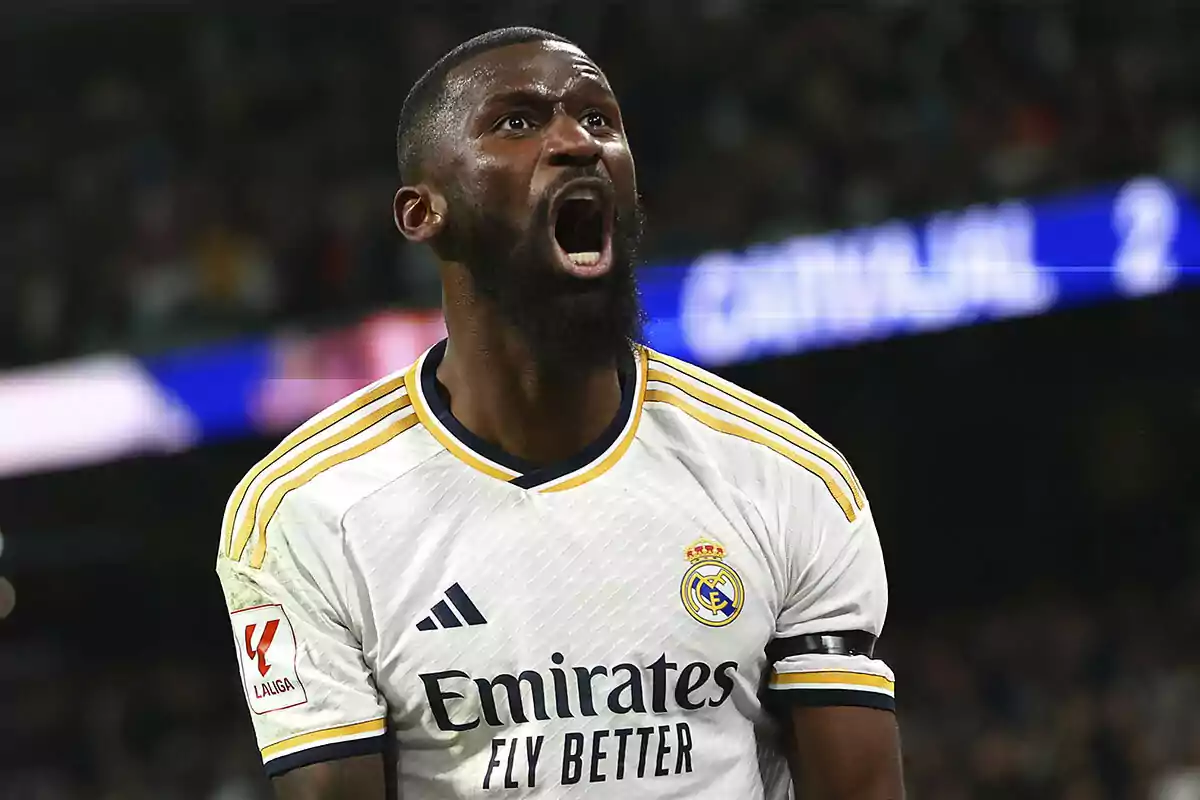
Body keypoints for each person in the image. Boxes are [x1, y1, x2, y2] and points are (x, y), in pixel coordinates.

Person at [216, 26, 903, 800]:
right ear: (421, 212)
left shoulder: (786, 477)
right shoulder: (307, 511)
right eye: (518, 121)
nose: (578, 142)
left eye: (601, 120)